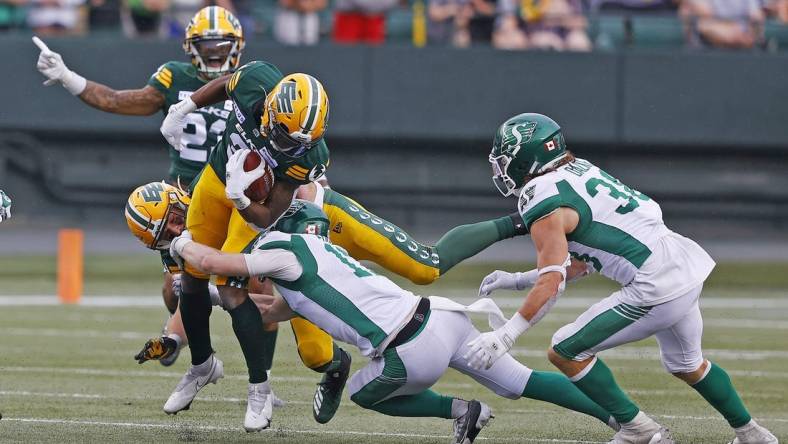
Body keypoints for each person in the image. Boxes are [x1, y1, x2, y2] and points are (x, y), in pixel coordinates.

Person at [169, 200, 622, 443]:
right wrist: (209, 298)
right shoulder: (322, 257)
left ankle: (461, 411)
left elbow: (212, 257)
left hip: (408, 346)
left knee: (360, 393)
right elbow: (278, 309)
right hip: (442, 317)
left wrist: (182, 246)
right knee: (521, 380)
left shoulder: (286, 251)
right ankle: (624, 420)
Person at [465, 113, 778, 444]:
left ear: (526, 156)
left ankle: (639, 430)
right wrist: (517, 279)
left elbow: (552, 281)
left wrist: (505, 335)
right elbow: (584, 263)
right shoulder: (578, 169)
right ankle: (752, 434)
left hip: (656, 283)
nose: (500, 168)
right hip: (683, 263)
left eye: (504, 159)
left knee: (564, 350)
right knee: (688, 364)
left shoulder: (539, 194)